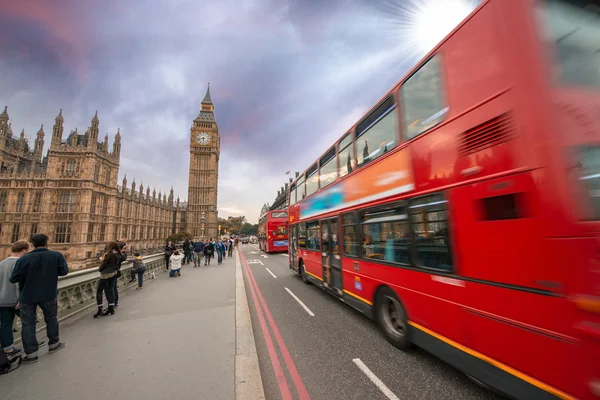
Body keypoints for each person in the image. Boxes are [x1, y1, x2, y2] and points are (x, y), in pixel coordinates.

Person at [9, 234, 68, 364]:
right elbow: (64, 271)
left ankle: (31, 354)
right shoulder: (56, 255)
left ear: (32, 244)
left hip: (27, 296)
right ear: (47, 242)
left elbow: (13, 278)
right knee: (51, 319)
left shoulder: (24, 259)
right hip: (48, 294)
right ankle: (54, 344)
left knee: (28, 324)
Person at [0, 241, 43, 357]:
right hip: (17, 300)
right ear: (24, 250)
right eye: (29, 249)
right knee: (29, 321)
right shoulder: (20, 263)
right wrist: (20, 298)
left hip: (3, 300)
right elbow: (19, 283)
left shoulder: (2, 263)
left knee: (5, 325)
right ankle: (31, 342)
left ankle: (8, 348)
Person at [94, 242, 122, 318]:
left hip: (105, 275)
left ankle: (100, 309)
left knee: (99, 291)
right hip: (114, 274)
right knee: (111, 290)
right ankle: (111, 308)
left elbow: (102, 266)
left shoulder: (109, 255)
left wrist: (100, 267)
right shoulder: (119, 255)